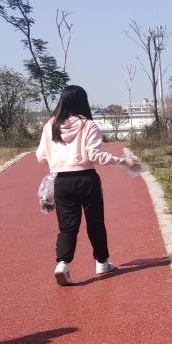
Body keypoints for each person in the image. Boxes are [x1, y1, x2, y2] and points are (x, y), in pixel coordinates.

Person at [35, 85, 139, 285]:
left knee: (67, 227)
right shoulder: (88, 125)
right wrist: (122, 161)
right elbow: (95, 155)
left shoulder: (50, 125)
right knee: (95, 222)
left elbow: (40, 156)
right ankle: (102, 262)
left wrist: (58, 158)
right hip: (86, 179)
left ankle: (63, 265)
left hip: (61, 181)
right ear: (83, 102)